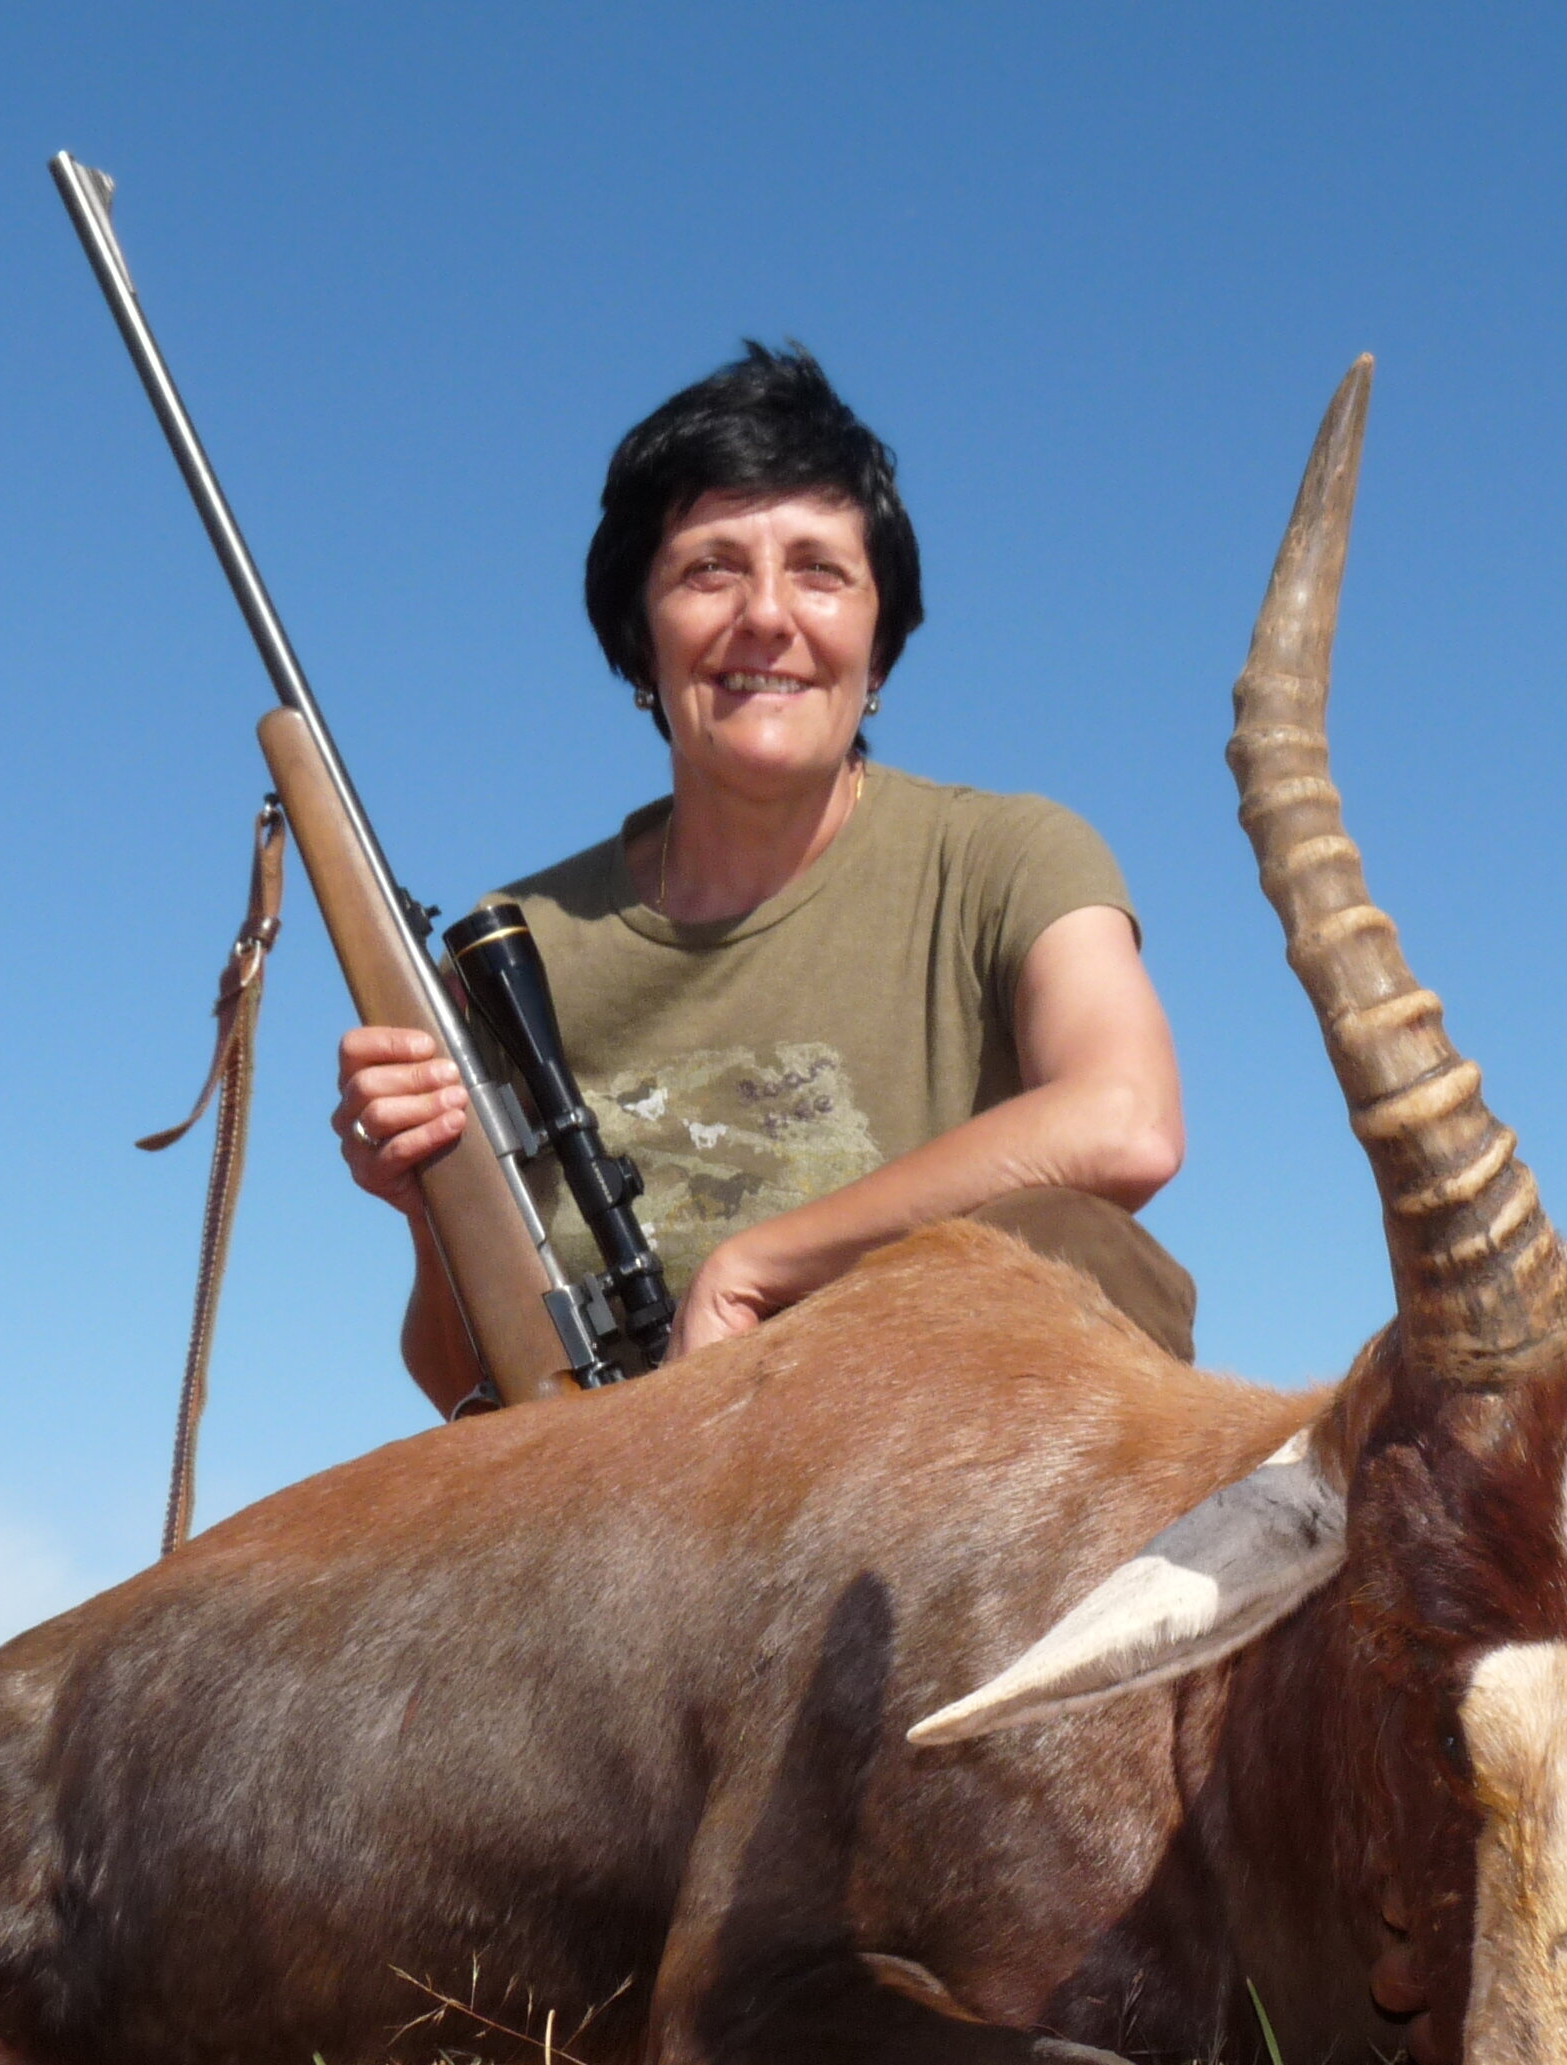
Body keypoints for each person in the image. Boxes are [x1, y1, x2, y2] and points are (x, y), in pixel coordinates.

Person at [331, 344, 1190, 1413]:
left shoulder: (1008, 858)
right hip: (622, 1521)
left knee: (1072, 1248)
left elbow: (1126, 1121)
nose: (768, 617)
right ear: (640, 643)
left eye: (821, 570)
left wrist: (755, 1268)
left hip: (924, 1495)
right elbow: (468, 1387)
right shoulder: (514, 953)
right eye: (709, 569)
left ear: (879, 650)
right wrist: (427, 1204)